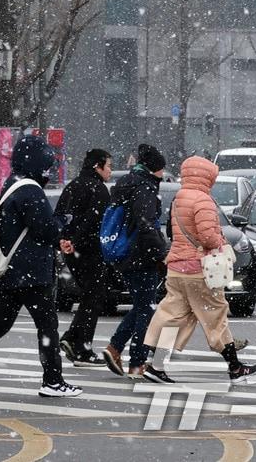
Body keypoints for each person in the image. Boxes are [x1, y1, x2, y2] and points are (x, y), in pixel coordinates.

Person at [0, 135, 82, 400]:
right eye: (45, 158)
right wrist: (62, 221)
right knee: (47, 326)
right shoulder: (30, 190)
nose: (48, 164)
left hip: (11, 270)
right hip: (31, 273)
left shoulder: (12, 185)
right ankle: (52, 380)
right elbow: (45, 229)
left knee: (0, 324)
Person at [141, 156, 256, 382]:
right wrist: (221, 242)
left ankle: (155, 366)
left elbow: (172, 232)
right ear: (206, 176)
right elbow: (207, 236)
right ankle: (235, 367)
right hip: (199, 269)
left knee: (172, 316)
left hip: (176, 268)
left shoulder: (179, 197)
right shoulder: (203, 200)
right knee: (215, 316)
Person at [102, 143, 170, 380]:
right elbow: (146, 224)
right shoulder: (145, 188)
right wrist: (163, 252)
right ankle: (137, 363)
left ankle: (115, 348)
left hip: (124, 254)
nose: (163, 173)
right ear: (153, 169)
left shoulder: (126, 183)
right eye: (161, 169)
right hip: (141, 256)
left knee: (142, 305)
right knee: (146, 310)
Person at [56, 148, 113, 367]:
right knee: (94, 297)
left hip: (72, 252)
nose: (109, 170)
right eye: (108, 166)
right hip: (90, 250)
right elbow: (94, 220)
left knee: (89, 296)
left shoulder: (72, 186)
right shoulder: (99, 190)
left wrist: (63, 239)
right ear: (97, 166)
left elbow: (60, 216)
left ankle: (74, 340)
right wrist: (76, 240)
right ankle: (80, 346)